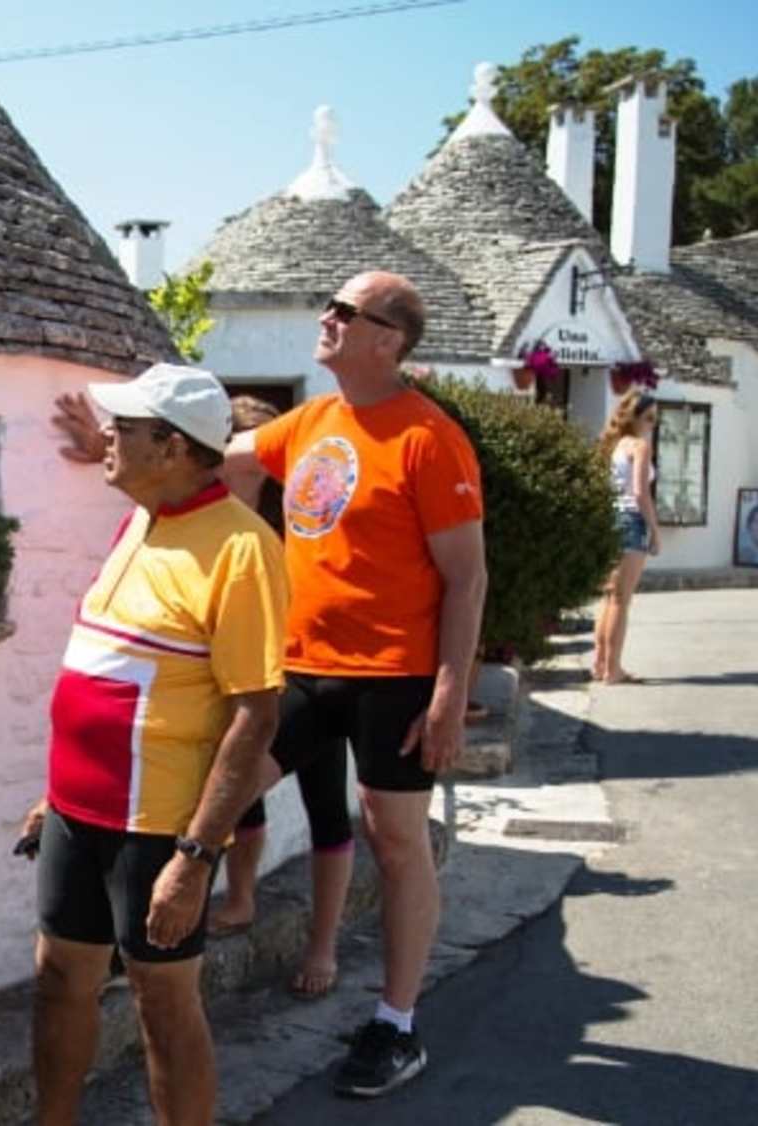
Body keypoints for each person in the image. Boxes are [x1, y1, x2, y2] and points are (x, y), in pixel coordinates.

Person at [225, 270, 487, 1098]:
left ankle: (396, 1024)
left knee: (396, 840)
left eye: (345, 311)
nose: (326, 318)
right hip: (305, 665)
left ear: (389, 341)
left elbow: (467, 579)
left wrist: (449, 695)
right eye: (328, 305)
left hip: (396, 679)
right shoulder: (312, 420)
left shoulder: (429, 439)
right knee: (220, 788)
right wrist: (112, 443)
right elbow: (222, 455)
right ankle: (158, 945)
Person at [27, 363, 287, 1126]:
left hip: (160, 829)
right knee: (58, 981)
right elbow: (109, 663)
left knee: (162, 1004)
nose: (109, 437)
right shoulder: (144, 517)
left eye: (126, 429)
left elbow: (255, 714)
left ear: (172, 447)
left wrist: (198, 857)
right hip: (78, 812)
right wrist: (55, 795)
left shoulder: (242, 548)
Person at [50, 392, 355, 999]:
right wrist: (104, 448)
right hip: (238, 664)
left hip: (314, 669)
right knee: (240, 787)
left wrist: (191, 858)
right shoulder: (182, 504)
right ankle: (237, 898)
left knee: (311, 795)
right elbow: (164, 503)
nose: (241, 459)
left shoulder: (261, 526)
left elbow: (255, 711)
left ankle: (314, 941)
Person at [593, 391, 661, 684]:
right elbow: (639, 492)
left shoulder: (615, 445)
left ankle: (600, 665)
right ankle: (613, 669)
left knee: (609, 597)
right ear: (637, 417)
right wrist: (655, 530)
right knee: (622, 600)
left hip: (611, 519)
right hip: (632, 520)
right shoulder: (640, 446)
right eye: (650, 417)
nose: (653, 424)